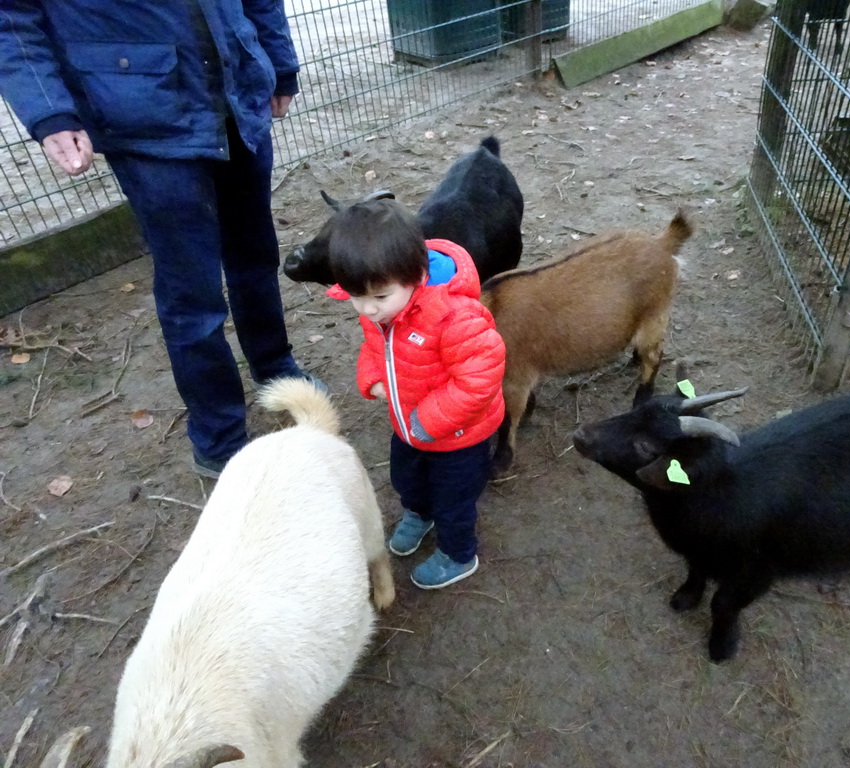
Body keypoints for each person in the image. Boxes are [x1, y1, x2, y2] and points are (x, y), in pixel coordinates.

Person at [0, 1, 321, 479]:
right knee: (192, 293)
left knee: (255, 256)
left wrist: (278, 61)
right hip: (144, 115)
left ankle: (274, 367)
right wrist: (50, 111)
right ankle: (220, 435)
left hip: (236, 95)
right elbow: (13, 15)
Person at [325, 198, 505, 589]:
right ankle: (418, 512)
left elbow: (479, 379)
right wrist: (372, 378)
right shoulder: (385, 306)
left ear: (416, 274)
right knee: (407, 476)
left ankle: (458, 554)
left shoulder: (455, 317)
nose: (367, 310)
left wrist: (429, 419)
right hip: (408, 424)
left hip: (458, 436)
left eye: (378, 298)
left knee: (454, 500)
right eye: (357, 297)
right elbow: (374, 348)